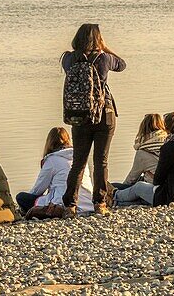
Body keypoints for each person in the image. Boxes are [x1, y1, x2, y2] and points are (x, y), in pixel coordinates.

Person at [60, 23, 126, 215]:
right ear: (98, 39)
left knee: (79, 161)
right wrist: (104, 48)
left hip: (79, 115)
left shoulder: (68, 59)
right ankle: (100, 203)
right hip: (104, 113)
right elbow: (122, 65)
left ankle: (70, 205)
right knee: (101, 160)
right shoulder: (104, 58)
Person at [15, 127, 93, 216]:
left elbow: (38, 190)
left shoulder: (52, 160)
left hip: (64, 205)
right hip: (88, 204)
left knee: (21, 197)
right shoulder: (80, 157)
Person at [118, 113, 168, 188]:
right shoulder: (170, 143)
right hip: (172, 187)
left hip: (156, 190)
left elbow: (131, 179)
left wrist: (120, 188)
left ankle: (115, 195)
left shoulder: (143, 152)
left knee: (115, 187)